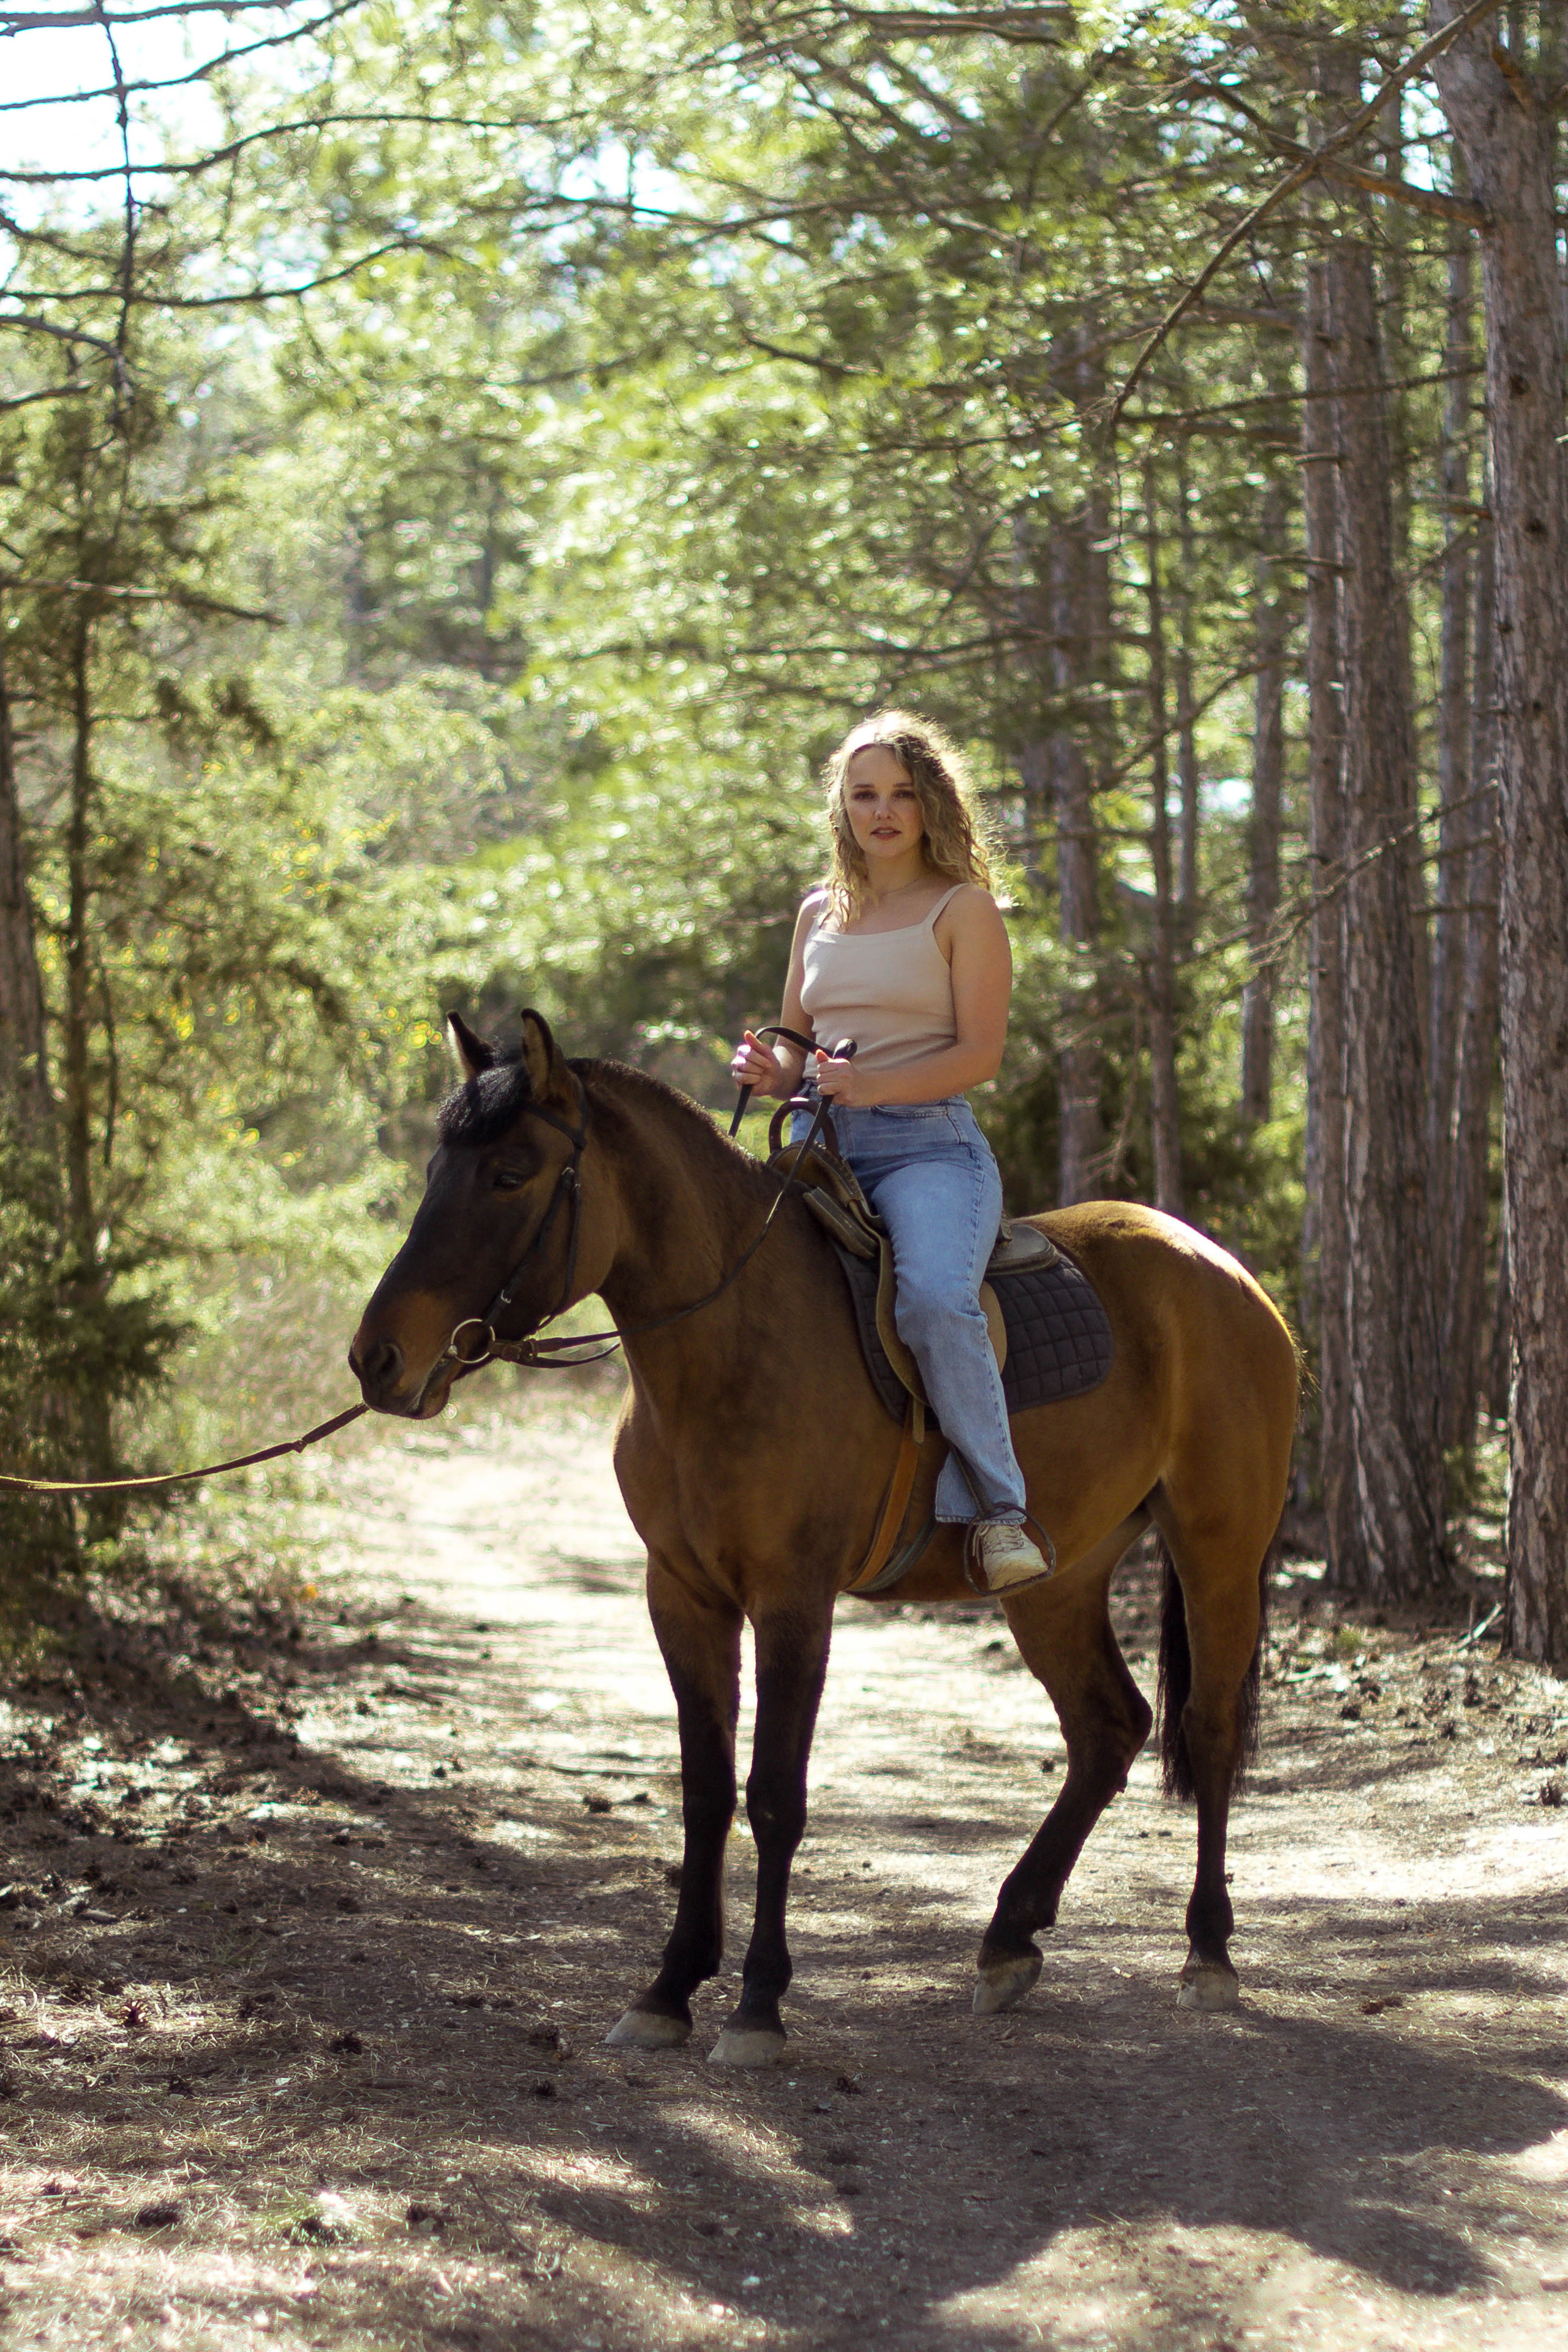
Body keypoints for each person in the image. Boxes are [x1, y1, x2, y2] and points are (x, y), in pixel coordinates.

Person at [730, 710, 1051, 1595]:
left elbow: (979, 1055)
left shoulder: (964, 909)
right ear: (842, 805)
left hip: (926, 1149)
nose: (883, 811)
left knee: (936, 1303)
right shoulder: (816, 914)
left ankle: (1000, 1512)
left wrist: (869, 1088)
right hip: (815, 1143)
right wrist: (769, 1067)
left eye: (902, 794)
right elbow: (797, 1042)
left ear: (930, 804)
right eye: (864, 793)